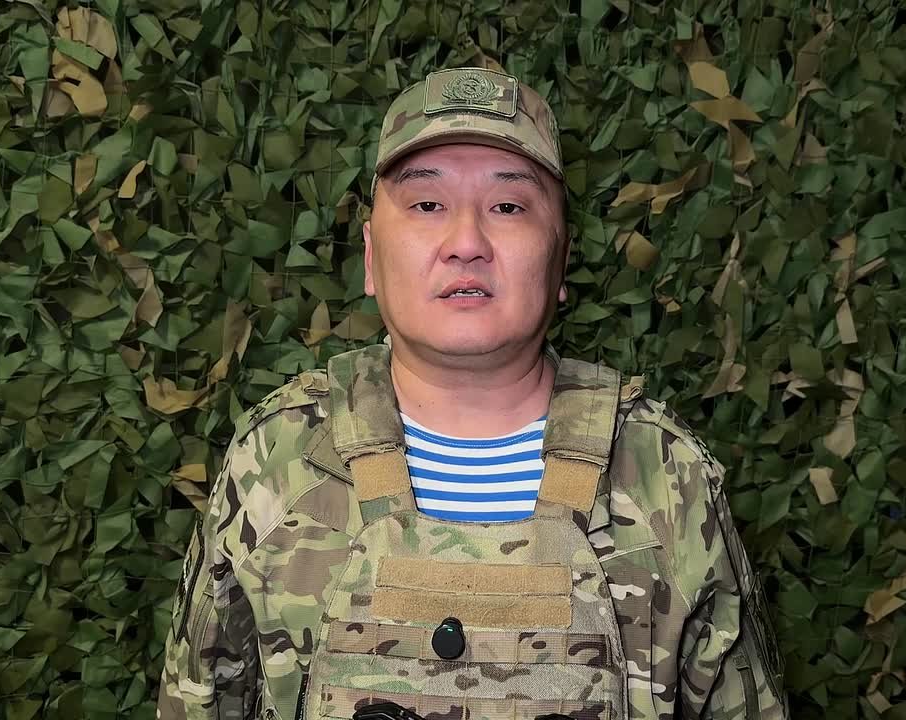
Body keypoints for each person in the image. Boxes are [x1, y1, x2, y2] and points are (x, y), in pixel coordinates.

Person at [157, 67, 787, 720]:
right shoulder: (278, 460)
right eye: (427, 205)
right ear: (371, 256)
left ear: (561, 258)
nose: (466, 244)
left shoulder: (665, 475)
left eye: (507, 207)